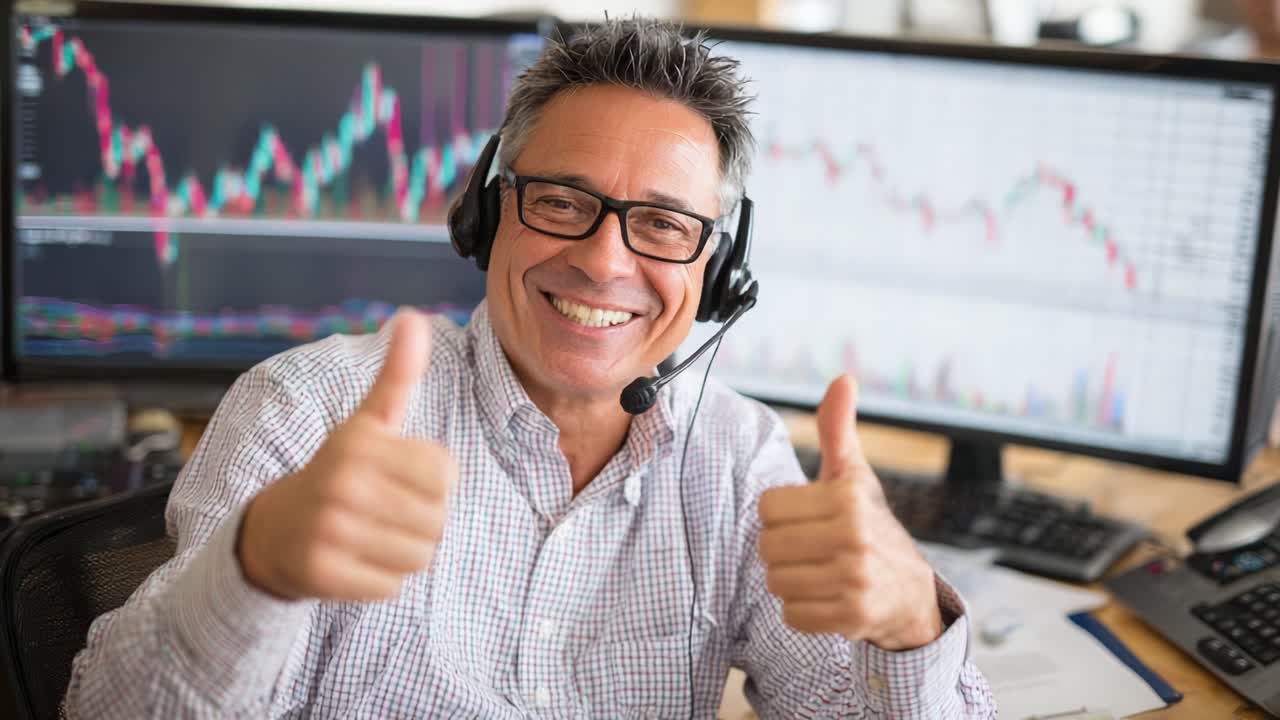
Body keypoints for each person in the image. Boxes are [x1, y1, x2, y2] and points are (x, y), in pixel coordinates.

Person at [65, 18, 996, 718]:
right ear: (486, 212)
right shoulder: (305, 412)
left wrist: (911, 625)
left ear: (718, 273)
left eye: (663, 223)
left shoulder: (737, 461)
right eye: (560, 202)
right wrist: (255, 570)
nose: (603, 261)